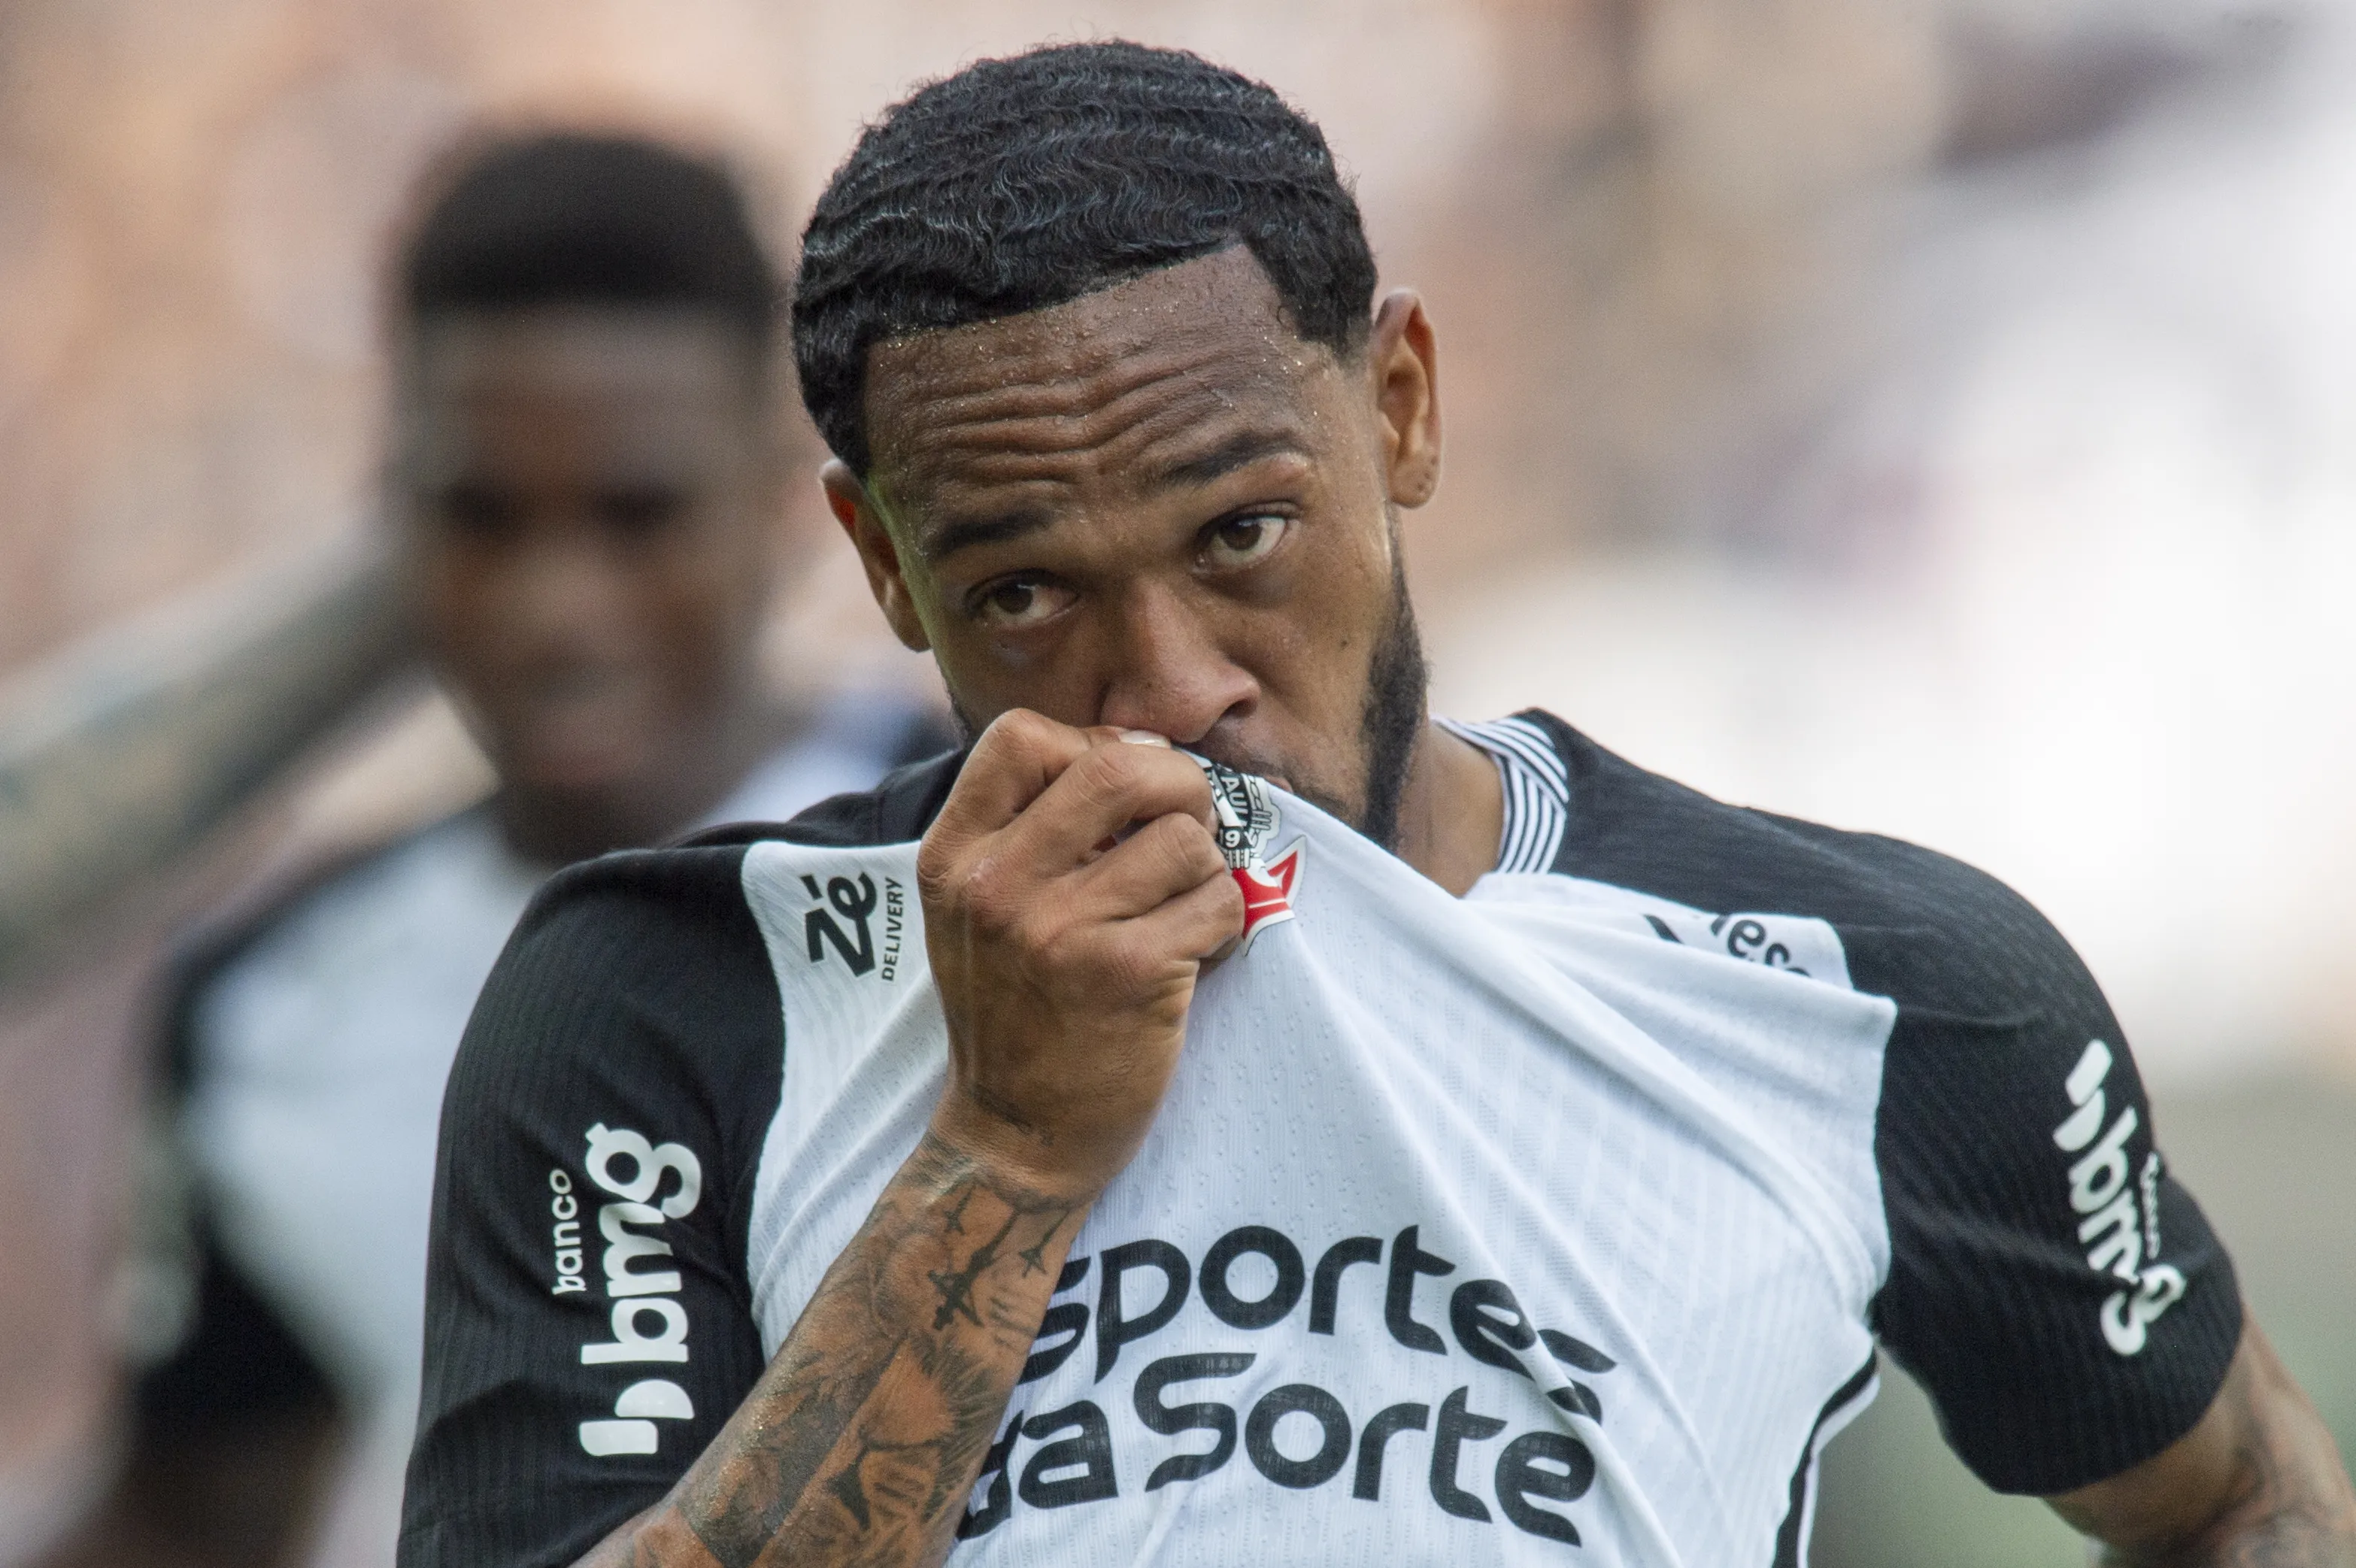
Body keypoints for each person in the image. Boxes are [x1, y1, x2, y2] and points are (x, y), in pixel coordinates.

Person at [396, 45, 2356, 1568]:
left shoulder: (1866, 987)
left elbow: (2241, 1496)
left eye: (1240, 532)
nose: (1170, 685)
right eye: (1024, 591)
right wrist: (1004, 1153)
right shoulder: (672, 995)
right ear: (882, 565)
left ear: (1401, 405)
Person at [55, 132, 943, 1568]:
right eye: (481, 516)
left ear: (794, 504)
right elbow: (191, 1518)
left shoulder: (991, 850)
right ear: (391, 513)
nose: (555, 611)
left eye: (637, 515)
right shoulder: (270, 1004)